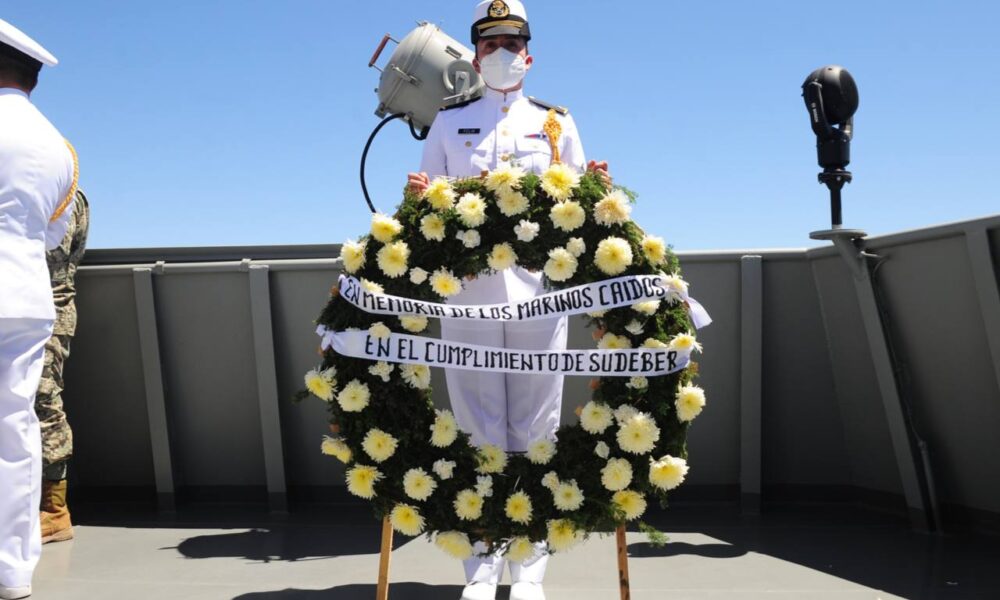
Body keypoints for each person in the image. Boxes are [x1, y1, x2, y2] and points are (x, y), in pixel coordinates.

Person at [407, 3, 608, 599]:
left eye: (511, 41)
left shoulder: (556, 124)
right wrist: (417, 199)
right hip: (467, 300)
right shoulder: (448, 123)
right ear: (474, 54)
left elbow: (576, 209)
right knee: (476, 424)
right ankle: (481, 563)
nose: (501, 51)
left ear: (529, 53)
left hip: (538, 298)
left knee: (535, 422)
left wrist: (598, 183)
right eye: (490, 41)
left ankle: (529, 566)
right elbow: (429, 210)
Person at [0, 17, 77, 600]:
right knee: (15, 431)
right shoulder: (58, 148)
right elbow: (55, 236)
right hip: (25, 298)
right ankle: (11, 574)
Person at [36, 188, 90, 544]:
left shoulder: (63, 198)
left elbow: (51, 257)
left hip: (46, 309)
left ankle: (55, 511)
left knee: (42, 399)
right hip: (20, 306)